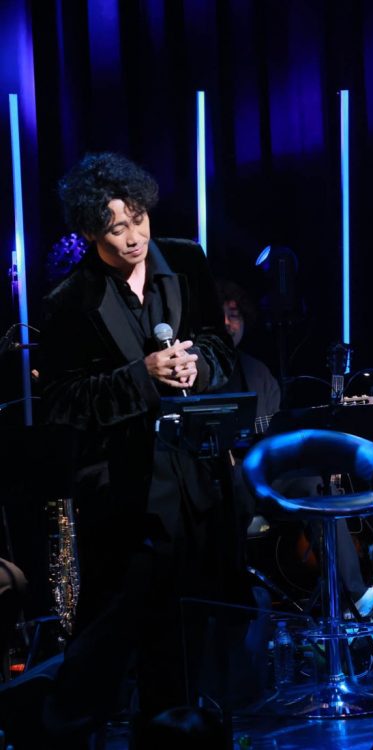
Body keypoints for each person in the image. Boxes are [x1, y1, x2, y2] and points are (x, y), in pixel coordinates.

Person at [28, 152, 244, 746]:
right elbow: (63, 401)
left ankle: (172, 733)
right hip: (124, 487)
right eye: (116, 227)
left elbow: (219, 346)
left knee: (187, 629)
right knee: (110, 626)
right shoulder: (69, 300)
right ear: (89, 232)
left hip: (193, 478)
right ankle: (60, 733)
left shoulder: (187, 261)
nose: (132, 237)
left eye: (138, 219)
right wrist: (141, 378)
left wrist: (198, 368)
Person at [216, 279, 373, 617]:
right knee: (231, 488)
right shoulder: (195, 370)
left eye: (235, 315)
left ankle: (355, 596)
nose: (229, 324)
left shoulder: (258, 373)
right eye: (222, 316)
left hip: (259, 476)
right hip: (215, 480)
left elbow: (273, 437)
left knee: (313, 484)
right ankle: (229, 599)